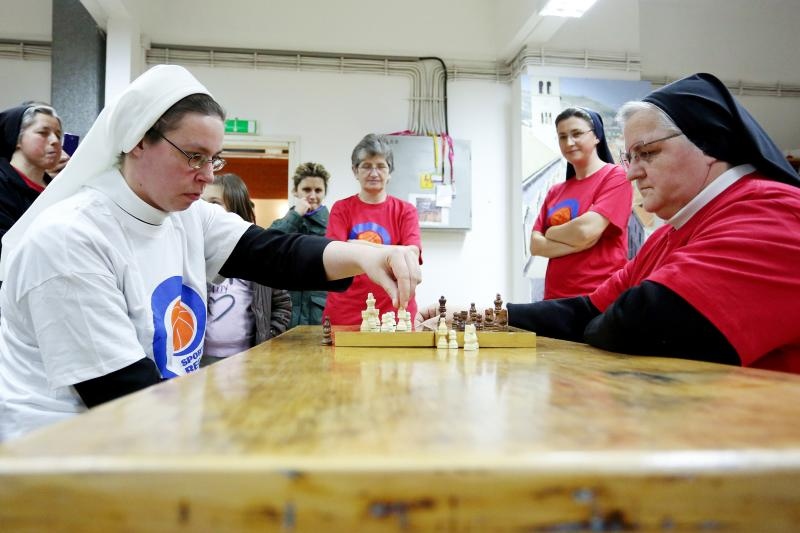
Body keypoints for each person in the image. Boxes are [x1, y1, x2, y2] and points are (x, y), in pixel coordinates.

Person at [0, 65, 421, 441]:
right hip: (62, 454)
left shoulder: (183, 215)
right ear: (136, 141)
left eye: (214, 160)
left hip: (147, 431)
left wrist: (365, 256)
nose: (205, 176)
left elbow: (271, 252)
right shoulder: (72, 239)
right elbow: (121, 393)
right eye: (193, 156)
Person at [506, 73, 800, 374]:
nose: (633, 173)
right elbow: (588, 310)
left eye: (647, 153)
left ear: (709, 144)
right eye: (630, 158)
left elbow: (645, 324)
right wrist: (496, 315)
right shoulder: (670, 234)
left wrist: (604, 323)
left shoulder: (774, 211)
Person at [531, 107, 632, 299]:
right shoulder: (555, 191)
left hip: (599, 298)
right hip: (555, 299)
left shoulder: (615, 177)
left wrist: (551, 233)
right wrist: (579, 244)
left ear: (596, 136)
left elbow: (585, 231)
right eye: (562, 137)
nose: (569, 142)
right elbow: (536, 245)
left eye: (576, 134)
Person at [323, 133, 422, 327]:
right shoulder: (341, 209)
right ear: (355, 170)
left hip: (396, 312)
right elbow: (333, 253)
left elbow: (412, 253)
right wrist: (393, 251)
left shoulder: (405, 211)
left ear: (389, 171)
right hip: (346, 312)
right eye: (366, 166)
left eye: (381, 166)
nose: (374, 173)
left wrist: (355, 246)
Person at [201, 173, 292, 366]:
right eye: (202, 202)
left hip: (247, 358)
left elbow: (282, 303)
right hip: (201, 358)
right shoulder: (195, 253)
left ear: (235, 209)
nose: (204, 209)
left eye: (214, 202)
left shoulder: (258, 258)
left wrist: (267, 337)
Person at [268, 161, 331, 328]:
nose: (312, 195)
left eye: (318, 190)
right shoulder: (287, 220)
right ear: (295, 191)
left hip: (318, 311)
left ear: (325, 193)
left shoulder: (332, 225)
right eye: (306, 189)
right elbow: (269, 245)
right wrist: (296, 214)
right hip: (285, 310)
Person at [0, 102, 63, 258]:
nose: (55, 141)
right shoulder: (3, 185)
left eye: (58, 134)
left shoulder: (60, 188)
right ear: (17, 138)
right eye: (43, 133)